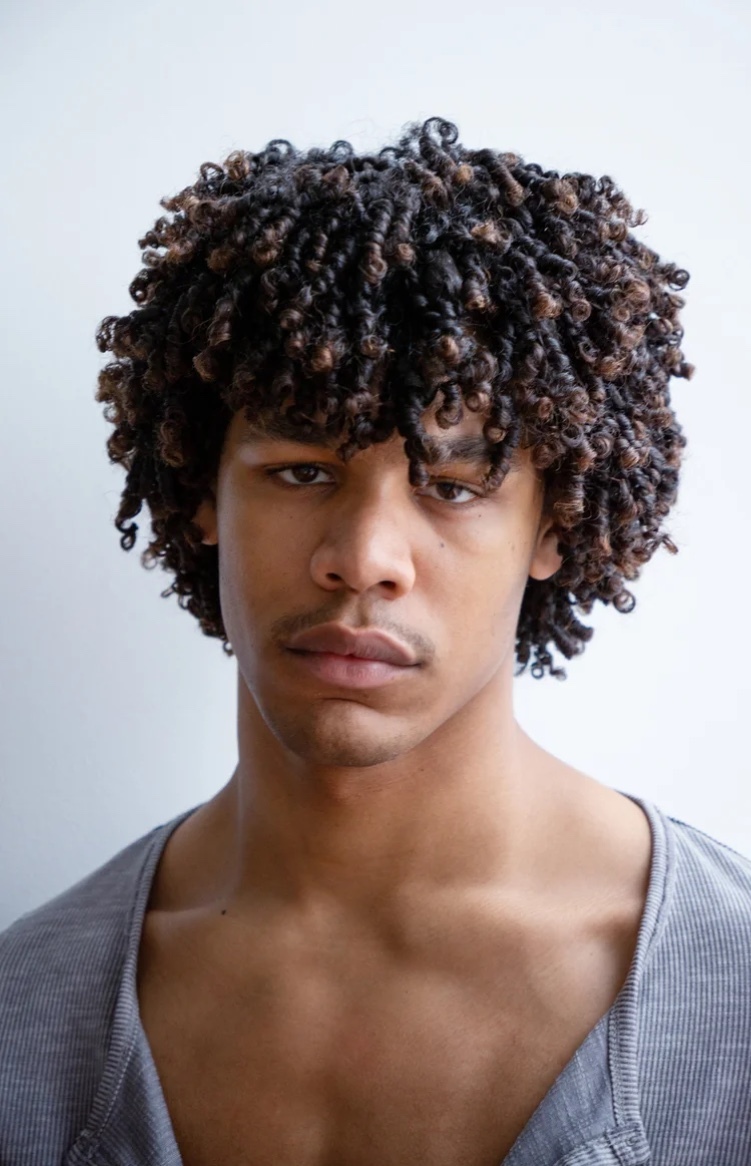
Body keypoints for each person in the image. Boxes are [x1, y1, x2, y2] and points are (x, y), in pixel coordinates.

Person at [1, 116, 749, 1166]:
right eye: (300, 470)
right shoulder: (23, 1021)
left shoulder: (732, 1003)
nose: (364, 556)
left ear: (555, 526)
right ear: (199, 490)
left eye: (451, 486)